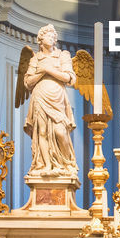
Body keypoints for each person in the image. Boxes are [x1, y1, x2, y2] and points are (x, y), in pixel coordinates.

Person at [23, 24, 78, 176]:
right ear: (40, 39)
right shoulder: (35, 59)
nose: (52, 38)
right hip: (40, 96)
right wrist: (41, 74)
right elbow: (28, 82)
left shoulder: (62, 55)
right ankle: (46, 165)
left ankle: (67, 164)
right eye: (49, 35)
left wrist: (47, 70)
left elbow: (69, 78)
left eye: (54, 36)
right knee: (42, 131)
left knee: (60, 131)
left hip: (57, 98)